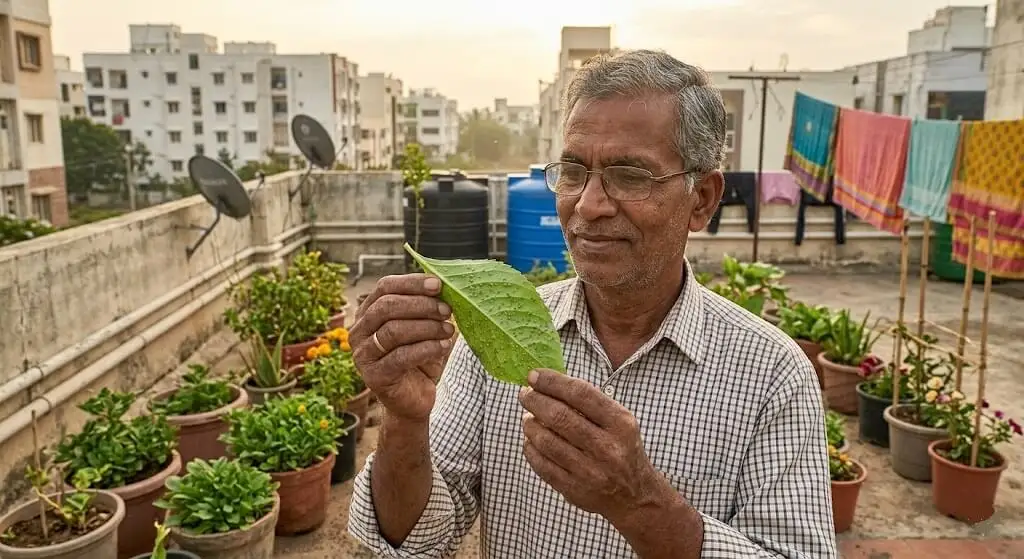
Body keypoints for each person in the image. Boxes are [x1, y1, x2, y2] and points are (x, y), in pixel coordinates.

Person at [348, 49, 837, 558]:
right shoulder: (497, 338)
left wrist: (640, 502)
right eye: (574, 171)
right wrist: (405, 421)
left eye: (630, 175)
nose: (589, 205)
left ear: (703, 200)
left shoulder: (773, 374)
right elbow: (417, 539)